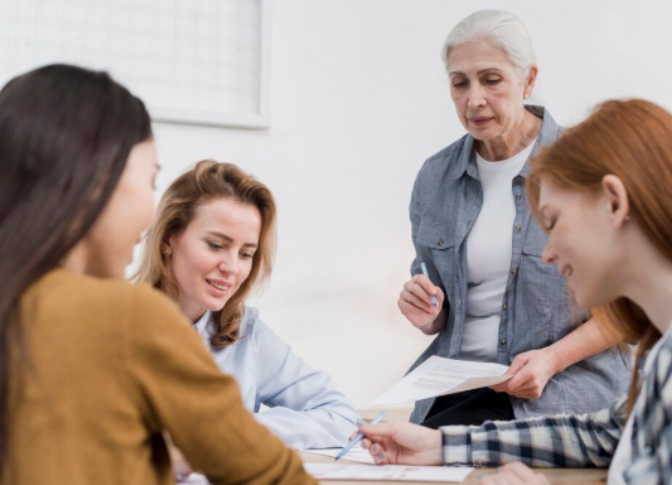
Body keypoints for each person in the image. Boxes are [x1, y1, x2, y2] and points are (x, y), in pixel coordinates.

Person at [360, 98, 672, 484]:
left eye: (552, 223)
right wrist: (441, 446)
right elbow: (603, 436)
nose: (548, 253)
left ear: (614, 203)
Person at [0, 64, 315, 485]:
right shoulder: (128, 316)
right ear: (96, 182)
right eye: (149, 180)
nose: (150, 215)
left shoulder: (24, 305)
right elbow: (274, 475)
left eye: (246, 253)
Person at [399, 9, 630, 427]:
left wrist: (551, 359)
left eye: (491, 79)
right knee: (384, 443)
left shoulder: (585, 168)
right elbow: (442, 311)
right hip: (454, 386)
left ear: (528, 79)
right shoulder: (435, 178)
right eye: (460, 83)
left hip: (558, 388)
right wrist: (429, 313)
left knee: (429, 448)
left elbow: (627, 306)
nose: (474, 100)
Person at [134, 159, 359, 451]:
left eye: (245, 254)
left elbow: (342, 417)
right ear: (168, 239)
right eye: (216, 245)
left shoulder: (245, 333)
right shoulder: (107, 324)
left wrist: (234, 428)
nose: (232, 268)